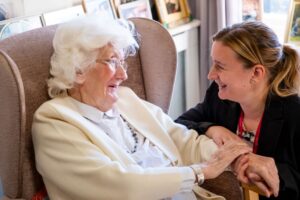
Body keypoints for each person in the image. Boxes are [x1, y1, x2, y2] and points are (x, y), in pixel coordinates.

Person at [31, 16, 251, 200]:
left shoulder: (126, 99)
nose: (123, 75)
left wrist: (237, 159)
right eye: (111, 62)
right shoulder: (53, 122)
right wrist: (199, 172)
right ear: (79, 70)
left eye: (122, 63)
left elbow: (183, 140)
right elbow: (120, 185)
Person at [175, 21, 300, 200]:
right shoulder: (219, 97)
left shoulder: (294, 114)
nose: (210, 74)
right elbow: (178, 124)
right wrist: (212, 129)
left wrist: (275, 172)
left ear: (256, 73)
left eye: (220, 66)